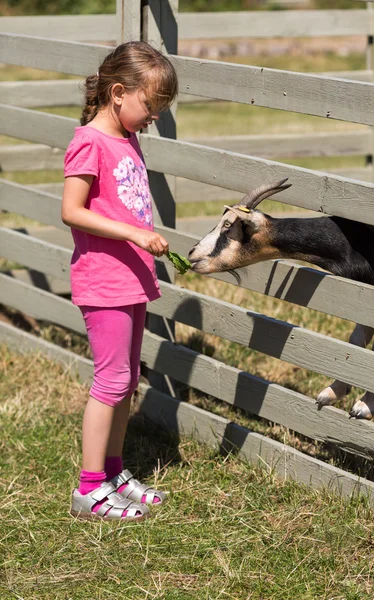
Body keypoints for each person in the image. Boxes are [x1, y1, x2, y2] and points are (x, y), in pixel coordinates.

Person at [61, 41, 178, 521]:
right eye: (149, 106)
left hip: (130, 278)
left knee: (127, 380)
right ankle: (89, 489)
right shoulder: (90, 141)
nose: (153, 117)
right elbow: (72, 211)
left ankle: (112, 473)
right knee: (110, 381)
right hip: (104, 282)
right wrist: (134, 232)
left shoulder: (126, 138)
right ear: (117, 93)